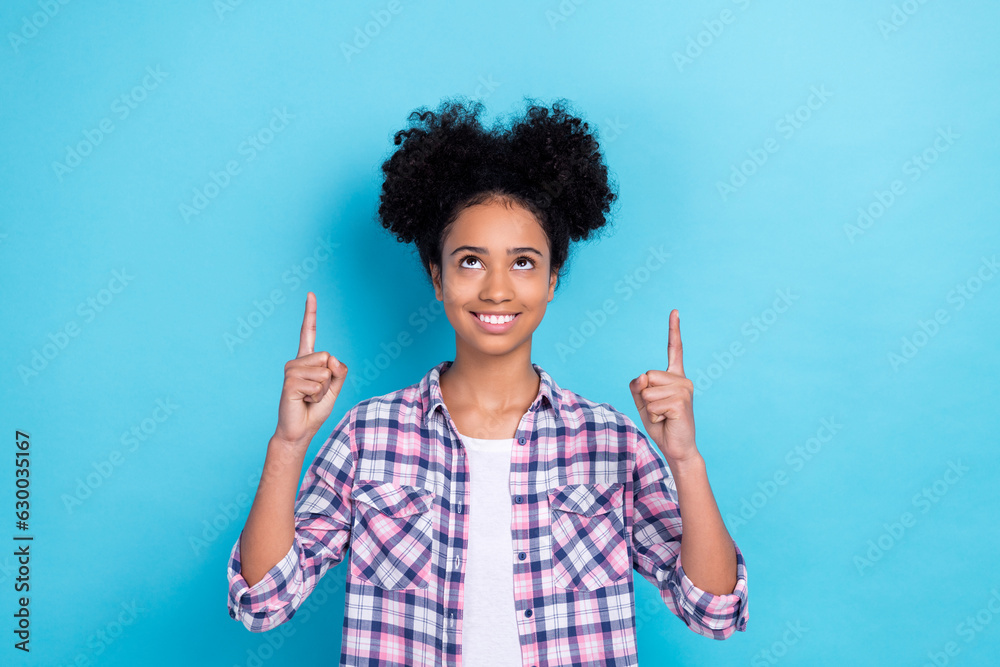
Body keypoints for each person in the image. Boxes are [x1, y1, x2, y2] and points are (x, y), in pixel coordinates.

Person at [226, 97, 749, 666]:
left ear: (552, 280)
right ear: (437, 277)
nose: (497, 289)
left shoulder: (610, 442)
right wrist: (288, 445)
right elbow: (263, 604)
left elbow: (714, 611)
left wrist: (686, 460)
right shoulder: (367, 436)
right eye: (471, 261)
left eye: (523, 262)